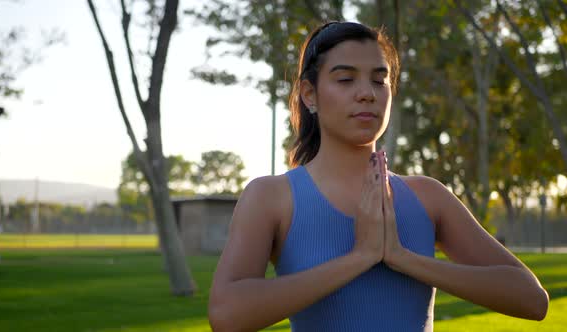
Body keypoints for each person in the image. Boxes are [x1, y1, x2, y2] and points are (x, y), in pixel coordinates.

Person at [208, 21, 549, 332]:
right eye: (345, 79)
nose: (367, 92)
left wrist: (402, 258)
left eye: (379, 79)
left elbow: (532, 300)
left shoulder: (428, 197)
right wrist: (360, 257)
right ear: (309, 94)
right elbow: (226, 315)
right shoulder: (272, 197)